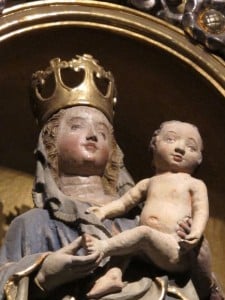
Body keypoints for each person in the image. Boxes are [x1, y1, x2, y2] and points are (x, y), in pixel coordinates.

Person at [0, 54, 222, 300]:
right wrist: (43, 274)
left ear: (113, 150)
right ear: (50, 142)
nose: (93, 135)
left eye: (103, 132)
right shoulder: (34, 224)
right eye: (76, 126)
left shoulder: (144, 217)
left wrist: (203, 272)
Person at [85, 120, 211, 297]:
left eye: (191, 147)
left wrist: (195, 232)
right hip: (147, 249)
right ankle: (113, 275)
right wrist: (104, 211)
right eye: (171, 140)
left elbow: (201, 210)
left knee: (142, 233)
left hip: (175, 248)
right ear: (154, 143)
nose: (181, 148)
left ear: (199, 159)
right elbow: (124, 203)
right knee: (125, 244)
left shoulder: (194, 184)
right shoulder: (149, 182)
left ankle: (102, 247)